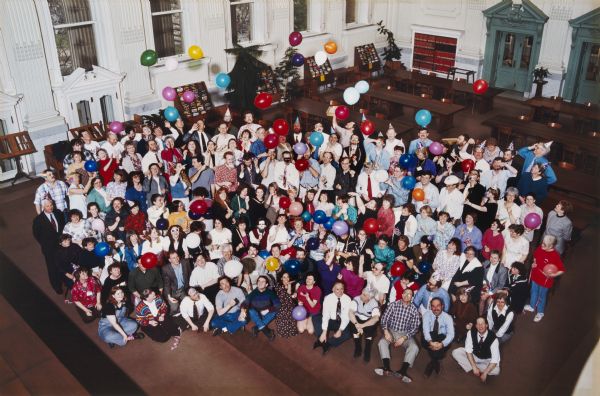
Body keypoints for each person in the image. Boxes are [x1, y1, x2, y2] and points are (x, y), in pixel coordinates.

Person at [374, 288, 420, 382]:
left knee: (414, 347)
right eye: (405, 293)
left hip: (405, 334)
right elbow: (384, 319)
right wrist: (386, 332)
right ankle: (386, 368)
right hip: (391, 331)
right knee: (382, 342)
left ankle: (403, 371)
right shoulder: (393, 305)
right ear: (402, 294)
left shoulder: (414, 310)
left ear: (412, 297)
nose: (407, 295)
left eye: (410, 294)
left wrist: (404, 338)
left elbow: (415, 327)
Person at [524, 235, 565, 322]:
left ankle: (540, 312)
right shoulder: (540, 248)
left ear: (551, 246)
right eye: (542, 242)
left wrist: (553, 275)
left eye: (545, 244)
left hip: (545, 280)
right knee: (533, 292)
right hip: (535, 276)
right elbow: (535, 256)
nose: (542, 245)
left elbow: (562, 270)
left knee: (541, 296)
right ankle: (532, 306)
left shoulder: (555, 256)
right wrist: (534, 263)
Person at [32, 199, 66, 293]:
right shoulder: (38, 220)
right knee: (52, 267)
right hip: (49, 249)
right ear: (43, 207)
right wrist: (46, 244)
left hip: (61, 245)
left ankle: (65, 281)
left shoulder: (58, 213)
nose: (50, 207)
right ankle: (56, 286)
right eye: (47, 206)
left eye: (51, 205)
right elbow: (36, 234)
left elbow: (62, 226)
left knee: (64, 263)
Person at [452, 317, 501, 382]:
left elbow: (495, 360)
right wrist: (474, 367)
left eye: (482, 324)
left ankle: (470, 366)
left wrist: (485, 373)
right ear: (476, 326)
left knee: (496, 370)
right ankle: (475, 367)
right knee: (455, 352)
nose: (480, 326)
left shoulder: (493, 338)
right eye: (478, 324)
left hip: (487, 360)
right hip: (474, 355)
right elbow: (468, 350)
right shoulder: (471, 332)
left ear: (487, 325)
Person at [312, 280, 352, 354]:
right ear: (332, 289)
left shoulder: (348, 299)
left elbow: (346, 317)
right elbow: (326, 315)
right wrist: (324, 332)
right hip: (330, 320)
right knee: (316, 318)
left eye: (342, 289)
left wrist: (340, 330)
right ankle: (321, 339)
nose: (340, 291)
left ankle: (328, 343)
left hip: (340, 321)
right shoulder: (328, 298)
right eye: (337, 289)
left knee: (348, 334)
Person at [422, 297, 455, 377]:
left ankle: (432, 364)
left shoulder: (447, 317)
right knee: (431, 343)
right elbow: (425, 331)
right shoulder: (426, 315)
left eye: (438, 306)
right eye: (433, 306)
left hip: (442, 338)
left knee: (438, 346)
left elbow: (451, 334)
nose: (435, 308)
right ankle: (436, 361)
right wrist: (431, 342)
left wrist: (441, 344)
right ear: (430, 307)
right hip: (430, 337)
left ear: (442, 306)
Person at [242, 275, 280, 340]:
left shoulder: (270, 293)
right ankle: (266, 331)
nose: (260, 283)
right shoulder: (253, 292)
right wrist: (242, 310)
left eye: (263, 281)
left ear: (266, 284)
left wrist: (268, 310)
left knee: (275, 312)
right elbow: (245, 303)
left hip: (265, 313)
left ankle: (257, 327)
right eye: (259, 281)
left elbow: (278, 305)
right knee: (251, 311)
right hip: (256, 314)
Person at [349, 288, 381, 363]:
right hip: (357, 319)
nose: (361, 296)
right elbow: (350, 312)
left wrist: (362, 326)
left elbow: (376, 318)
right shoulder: (357, 298)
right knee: (354, 332)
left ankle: (367, 349)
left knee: (370, 333)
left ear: (370, 297)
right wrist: (357, 324)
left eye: (364, 295)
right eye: (361, 293)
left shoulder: (374, 303)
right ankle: (358, 348)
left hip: (368, 321)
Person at [274, 272, 299, 338]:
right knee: (283, 313)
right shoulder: (278, 285)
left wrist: (296, 292)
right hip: (281, 304)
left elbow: (293, 298)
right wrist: (289, 286)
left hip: (290, 304)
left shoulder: (292, 285)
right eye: (284, 277)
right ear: (281, 278)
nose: (286, 279)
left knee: (291, 313)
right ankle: (282, 332)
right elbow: (287, 295)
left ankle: (291, 331)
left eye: (287, 277)